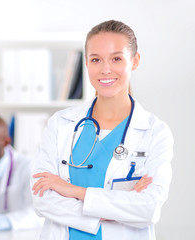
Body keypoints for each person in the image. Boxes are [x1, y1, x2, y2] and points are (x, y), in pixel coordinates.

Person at [31, 20, 174, 240]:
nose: (105, 69)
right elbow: (42, 198)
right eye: (96, 59)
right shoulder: (60, 123)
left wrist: (75, 192)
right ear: (87, 63)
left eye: (116, 58)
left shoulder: (155, 132)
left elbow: (148, 209)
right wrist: (114, 209)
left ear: (135, 61)